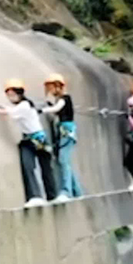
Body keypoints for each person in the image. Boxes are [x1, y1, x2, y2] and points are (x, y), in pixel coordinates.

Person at [0, 79, 57, 207]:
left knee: (44, 168)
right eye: (8, 95)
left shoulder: (24, 105)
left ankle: (50, 196)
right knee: (29, 166)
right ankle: (36, 196)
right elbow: (9, 109)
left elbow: (7, 112)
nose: (10, 97)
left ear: (20, 93)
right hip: (29, 139)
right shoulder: (22, 106)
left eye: (12, 94)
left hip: (38, 139)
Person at [41, 73, 82, 202]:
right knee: (65, 161)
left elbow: (57, 108)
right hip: (63, 131)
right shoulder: (59, 99)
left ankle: (66, 191)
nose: (50, 91)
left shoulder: (65, 98)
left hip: (67, 131)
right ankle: (77, 191)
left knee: (63, 160)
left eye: (52, 88)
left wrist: (43, 110)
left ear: (58, 86)